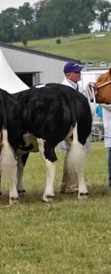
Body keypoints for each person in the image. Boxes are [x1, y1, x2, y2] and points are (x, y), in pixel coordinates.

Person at [59, 62, 87, 193]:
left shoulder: (76, 87)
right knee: (75, 152)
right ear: (68, 74)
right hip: (69, 126)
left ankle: (66, 184)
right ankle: (73, 186)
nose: (79, 74)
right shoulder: (64, 88)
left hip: (75, 125)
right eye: (76, 72)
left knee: (71, 153)